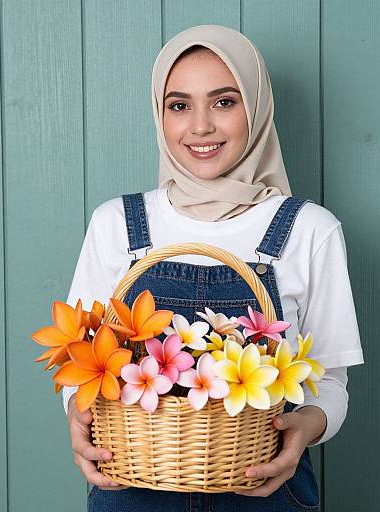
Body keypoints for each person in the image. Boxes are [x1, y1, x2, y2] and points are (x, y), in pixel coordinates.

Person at [63, 25, 364, 512]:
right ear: (160, 115)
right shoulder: (116, 223)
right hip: (134, 488)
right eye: (179, 105)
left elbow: (329, 383)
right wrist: (76, 420)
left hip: (265, 487)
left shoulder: (310, 229)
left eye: (224, 102)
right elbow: (81, 365)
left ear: (257, 108)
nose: (200, 126)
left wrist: (302, 430)